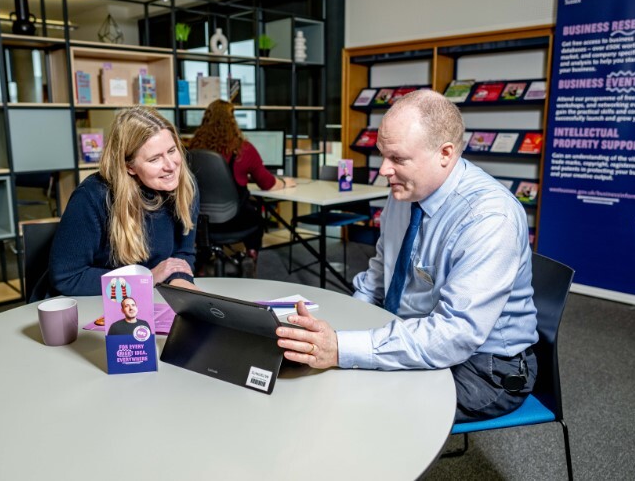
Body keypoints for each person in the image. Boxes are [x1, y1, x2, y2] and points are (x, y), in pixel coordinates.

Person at [275, 89, 539, 422]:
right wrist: (340, 330)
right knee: (324, 378)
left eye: (397, 159)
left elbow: (454, 335)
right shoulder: (405, 192)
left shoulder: (490, 217)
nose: (383, 170)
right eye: (383, 155)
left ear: (445, 153)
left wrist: (342, 348)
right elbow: (379, 274)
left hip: (487, 366)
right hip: (414, 329)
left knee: (358, 403)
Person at [49, 106, 199, 296]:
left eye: (172, 150)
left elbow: (182, 255)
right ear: (129, 167)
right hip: (92, 302)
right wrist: (148, 279)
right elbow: (67, 277)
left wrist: (181, 285)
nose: (171, 166)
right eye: (154, 159)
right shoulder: (92, 197)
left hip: (148, 296)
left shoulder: (184, 185)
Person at [187, 99, 296, 268]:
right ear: (233, 121)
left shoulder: (193, 148)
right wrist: (284, 182)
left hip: (200, 221)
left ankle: (202, 265)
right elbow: (267, 183)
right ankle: (251, 255)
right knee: (258, 218)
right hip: (235, 218)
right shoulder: (243, 149)